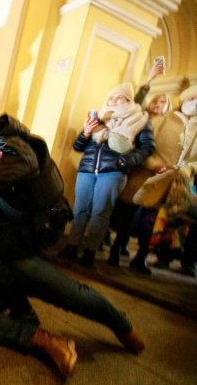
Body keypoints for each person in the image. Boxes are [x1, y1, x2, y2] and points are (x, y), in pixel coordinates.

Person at [0, 111, 144, 379]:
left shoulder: (7, 150)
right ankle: (41, 337)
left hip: (29, 236)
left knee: (62, 289)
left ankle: (118, 324)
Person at [57, 83, 155, 267]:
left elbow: (148, 147)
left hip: (113, 172)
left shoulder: (140, 119)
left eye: (119, 97)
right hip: (87, 169)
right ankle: (71, 246)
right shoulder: (100, 116)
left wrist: (125, 161)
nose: (114, 101)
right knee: (80, 211)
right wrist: (85, 133)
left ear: (129, 99)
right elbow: (78, 146)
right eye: (112, 97)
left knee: (100, 213)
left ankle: (89, 252)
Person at [130, 85, 197, 276]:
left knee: (173, 222)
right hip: (154, 175)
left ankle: (164, 255)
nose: (195, 104)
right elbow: (143, 145)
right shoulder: (163, 119)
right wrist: (152, 163)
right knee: (147, 216)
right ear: (183, 101)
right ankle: (140, 255)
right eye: (193, 99)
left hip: (179, 183)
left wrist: (188, 170)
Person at [107, 63, 170, 267]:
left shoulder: (171, 126)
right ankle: (115, 247)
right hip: (135, 169)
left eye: (164, 102)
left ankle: (135, 253)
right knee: (124, 211)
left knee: (143, 218)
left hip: (157, 177)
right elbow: (138, 101)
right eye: (157, 100)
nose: (159, 104)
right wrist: (149, 80)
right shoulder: (140, 116)